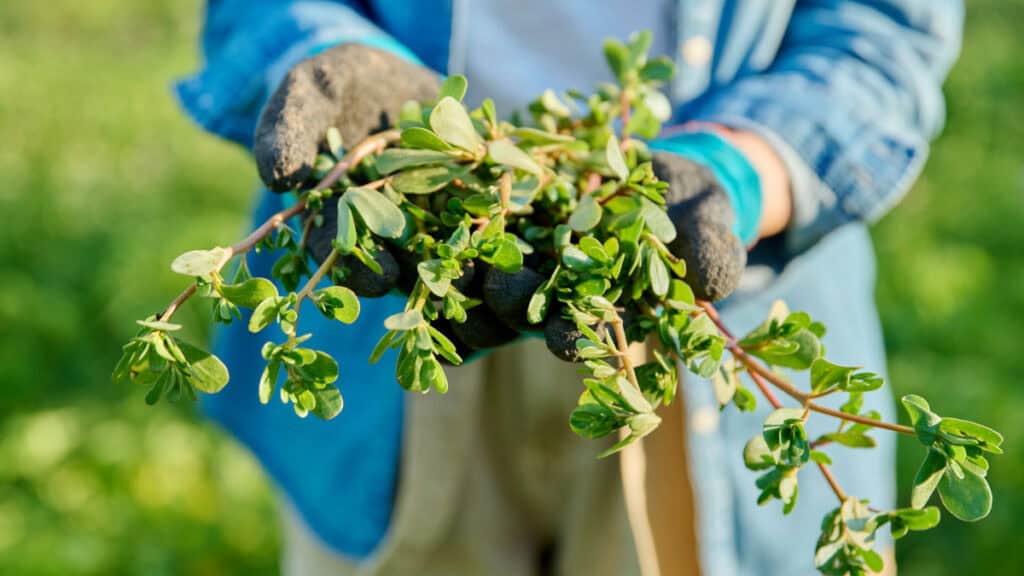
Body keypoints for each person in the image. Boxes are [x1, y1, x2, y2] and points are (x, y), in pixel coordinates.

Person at [175, 1, 963, 574]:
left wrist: (740, 168)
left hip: (714, 320)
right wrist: (324, 55)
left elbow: (883, 28)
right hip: (402, 284)